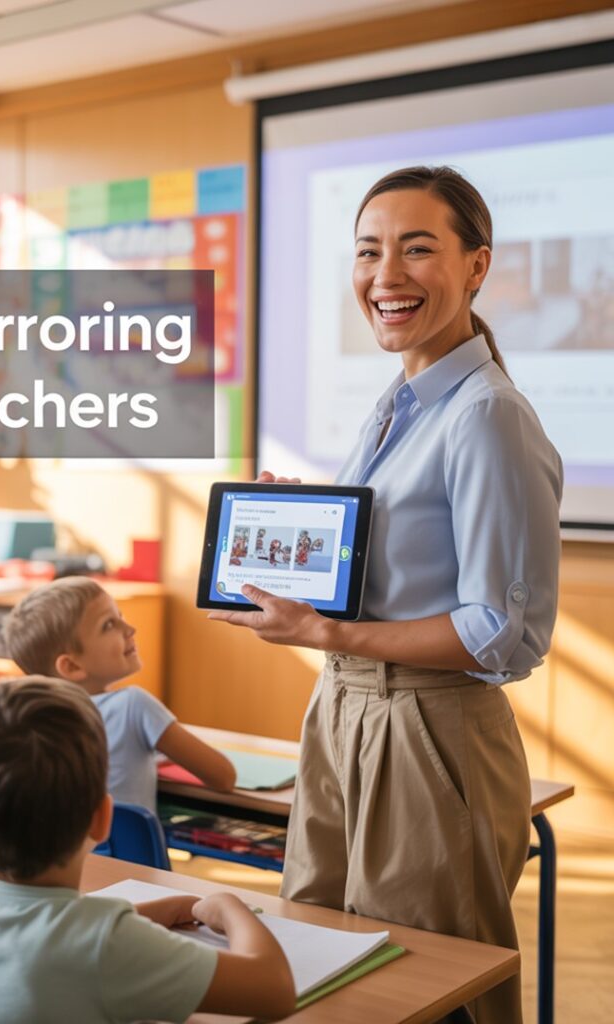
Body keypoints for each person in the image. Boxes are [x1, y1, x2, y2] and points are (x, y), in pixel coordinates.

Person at [210, 166, 562, 1024]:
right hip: (346, 715)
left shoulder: (485, 414)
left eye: (417, 249)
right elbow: (394, 567)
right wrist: (300, 526)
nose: (385, 274)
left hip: (430, 732)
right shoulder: (400, 401)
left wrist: (328, 634)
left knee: (425, 990)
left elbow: (497, 634)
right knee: (322, 958)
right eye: (368, 251)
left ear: (476, 267)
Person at [0, 677, 295, 1024]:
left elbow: (41, 930)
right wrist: (230, 906)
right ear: (101, 819)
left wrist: (157, 913)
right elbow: (274, 991)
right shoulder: (106, 946)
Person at [2, 576, 235, 814]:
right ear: (72, 666)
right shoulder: (134, 705)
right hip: (130, 853)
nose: (130, 629)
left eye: (120, 616)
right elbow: (224, 777)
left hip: (70, 852)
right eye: (109, 625)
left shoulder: (32, 718)